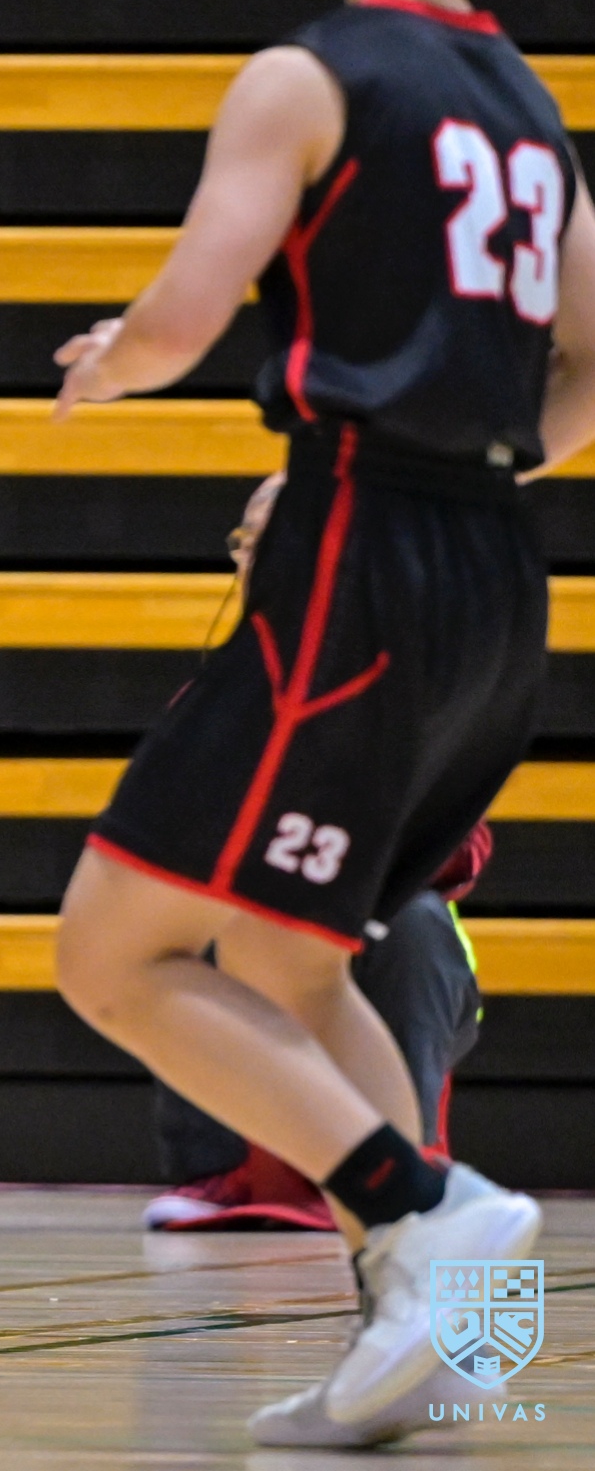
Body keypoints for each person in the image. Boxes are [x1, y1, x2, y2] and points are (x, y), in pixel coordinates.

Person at [48, 0, 594, 1446]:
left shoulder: (310, 74)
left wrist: (109, 363)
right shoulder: (527, 107)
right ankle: (444, 1326)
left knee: (108, 953)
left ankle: (418, 1214)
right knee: (291, 957)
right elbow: (587, 370)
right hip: (494, 570)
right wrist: (475, 459)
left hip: (356, 554)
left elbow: (181, 316)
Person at [143, 480, 490, 1233]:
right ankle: (232, 1174)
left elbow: (462, 845)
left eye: (273, 538)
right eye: (244, 541)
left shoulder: (413, 683)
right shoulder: (215, 698)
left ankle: (415, 1172)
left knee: (415, 920)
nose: (252, 556)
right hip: (253, 927)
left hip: (379, 941)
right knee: (164, 925)